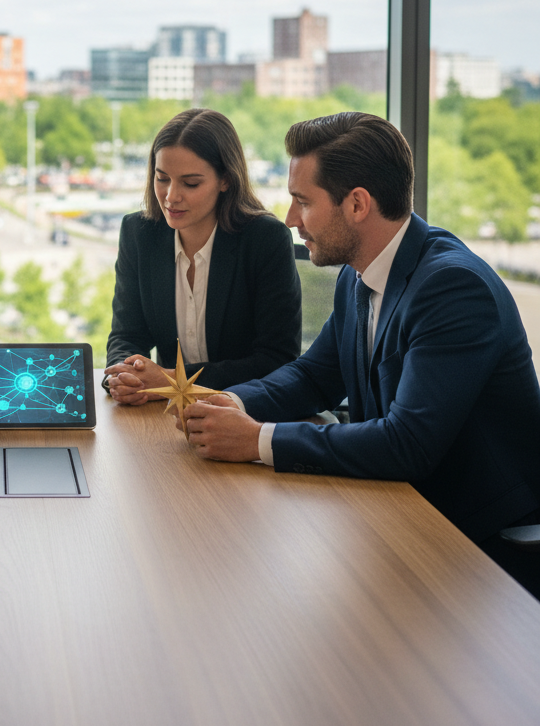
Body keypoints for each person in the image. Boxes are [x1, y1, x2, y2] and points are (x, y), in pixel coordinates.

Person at [180, 112, 540, 596]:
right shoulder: (358, 273)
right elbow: (313, 376)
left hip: (479, 549)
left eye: (303, 201)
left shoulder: (453, 287)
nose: (290, 220)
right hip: (397, 515)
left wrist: (255, 440)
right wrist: (230, 403)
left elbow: (407, 444)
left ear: (356, 204)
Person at [103, 108, 301, 403]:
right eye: (162, 178)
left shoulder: (265, 239)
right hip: (166, 413)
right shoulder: (139, 233)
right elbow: (127, 335)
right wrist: (126, 375)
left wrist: (173, 381)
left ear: (226, 180)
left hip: (242, 409)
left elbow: (276, 360)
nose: (171, 196)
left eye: (190, 183)